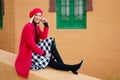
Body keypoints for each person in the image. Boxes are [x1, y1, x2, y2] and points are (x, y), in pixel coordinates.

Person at [15, 8, 84, 79]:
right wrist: (44, 54)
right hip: (28, 53)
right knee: (49, 59)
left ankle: (68, 66)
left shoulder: (36, 27)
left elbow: (44, 37)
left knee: (50, 42)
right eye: (36, 15)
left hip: (34, 50)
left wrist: (46, 25)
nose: (38, 17)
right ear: (32, 16)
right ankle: (70, 67)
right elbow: (31, 44)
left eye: (40, 15)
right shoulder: (28, 26)